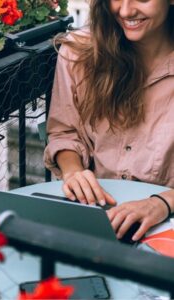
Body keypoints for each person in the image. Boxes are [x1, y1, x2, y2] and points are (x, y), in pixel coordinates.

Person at [44, 0, 174, 242]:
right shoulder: (78, 52)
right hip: (98, 218)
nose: (125, 11)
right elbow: (64, 131)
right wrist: (73, 172)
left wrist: (161, 204)